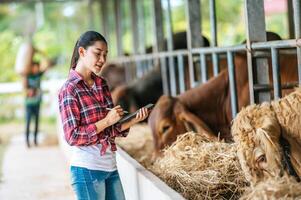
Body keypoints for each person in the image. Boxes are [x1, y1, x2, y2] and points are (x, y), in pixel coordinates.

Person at [58, 31, 149, 200]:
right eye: (98, 53)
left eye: (105, 55)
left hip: (110, 167)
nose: (102, 60)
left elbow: (111, 129)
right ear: (82, 52)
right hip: (87, 171)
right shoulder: (69, 90)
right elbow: (72, 136)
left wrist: (135, 119)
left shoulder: (102, 84)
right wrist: (107, 121)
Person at [23, 61, 46, 148]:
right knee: (28, 122)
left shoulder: (39, 75)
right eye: (34, 67)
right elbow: (25, 87)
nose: (36, 69)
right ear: (31, 67)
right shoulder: (27, 76)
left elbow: (47, 65)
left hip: (37, 102)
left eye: (37, 67)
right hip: (29, 103)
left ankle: (35, 141)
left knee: (36, 122)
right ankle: (27, 141)